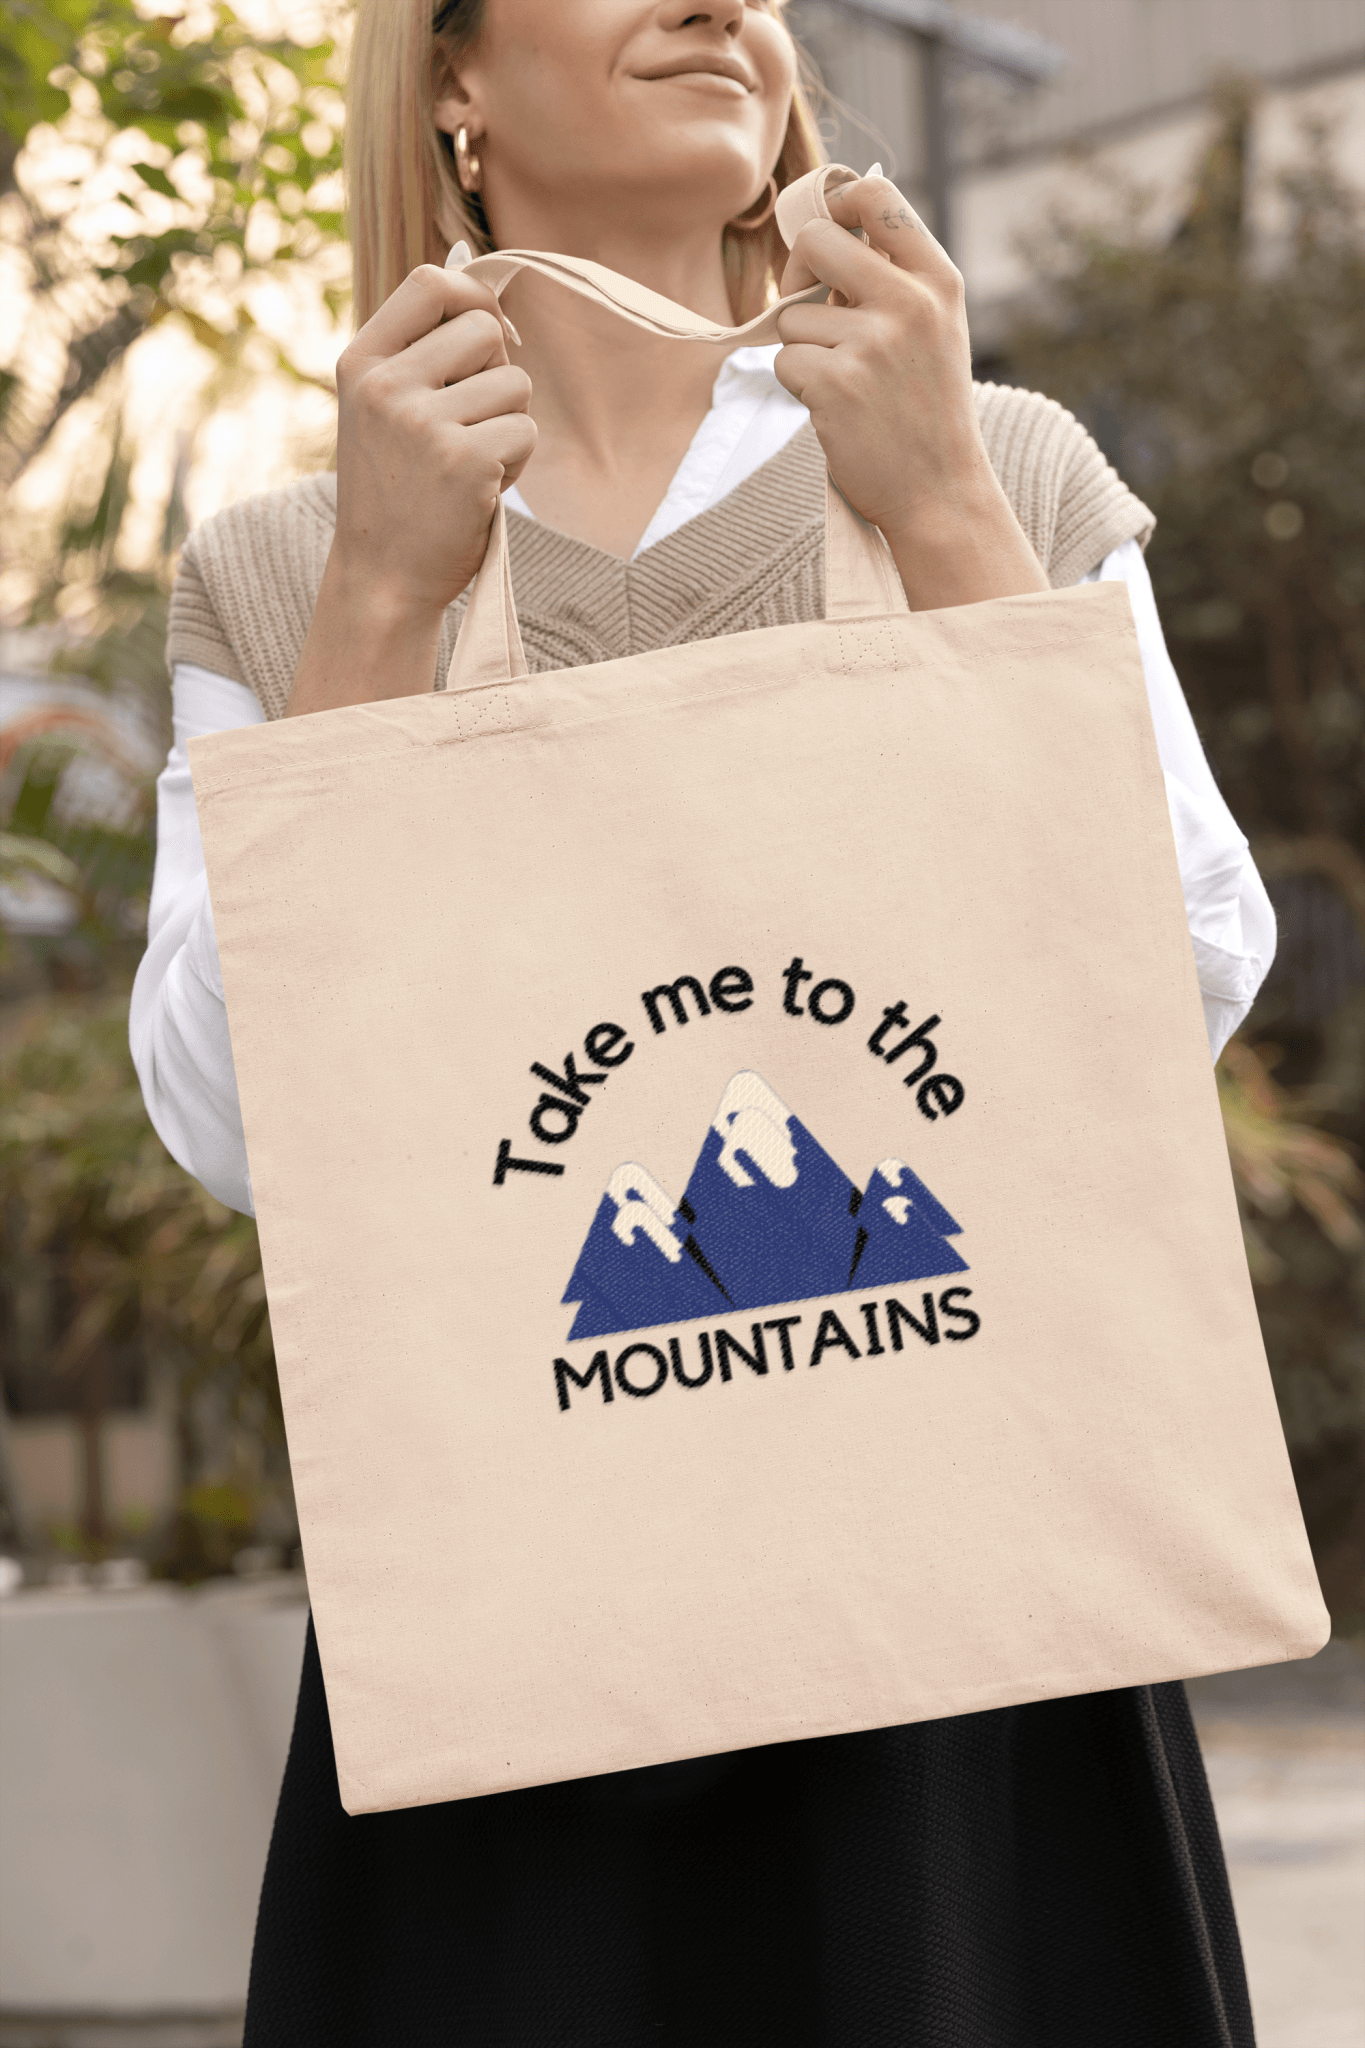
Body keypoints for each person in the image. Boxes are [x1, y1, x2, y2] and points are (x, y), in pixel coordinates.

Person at [130, 2, 1272, 2041]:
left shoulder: (988, 457)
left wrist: (939, 516)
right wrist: (384, 607)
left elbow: (1170, 985)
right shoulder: (290, 558)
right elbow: (236, 1131)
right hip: (507, 1664)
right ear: (454, 84)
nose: (712, 2)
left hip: (973, 1645)